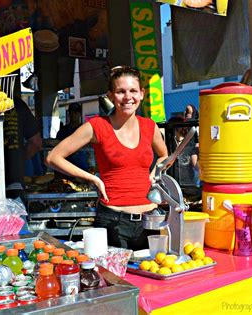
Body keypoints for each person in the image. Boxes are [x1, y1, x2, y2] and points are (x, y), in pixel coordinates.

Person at [46, 66, 168, 250]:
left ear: (142, 94)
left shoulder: (149, 126)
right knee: (115, 278)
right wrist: (93, 178)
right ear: (110, 96)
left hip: (149, 222)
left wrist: (154, 175)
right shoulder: (97, 126)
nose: (128, 97)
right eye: (121, 91)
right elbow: (53, 157)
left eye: (133, 91)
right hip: (113, 221)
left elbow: (164, 155)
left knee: (150, 275)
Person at [56, 103, 89, 172]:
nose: (73, 115)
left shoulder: (85, 129)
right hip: (65, 166)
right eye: (71, 112)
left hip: (81, 166)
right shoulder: (63, 130)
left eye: (75, 112)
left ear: (80, 113)